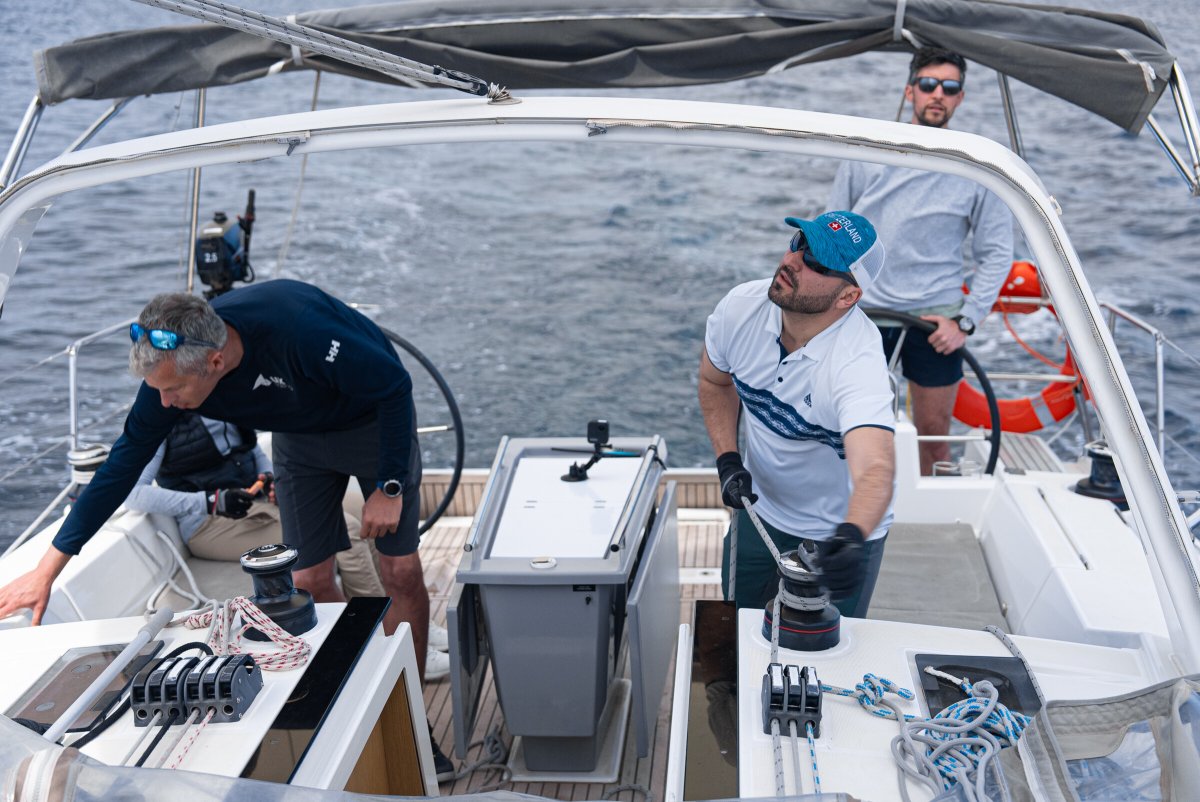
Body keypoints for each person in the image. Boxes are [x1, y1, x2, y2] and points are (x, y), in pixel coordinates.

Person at [0, 279, 454, 773]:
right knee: (306, 581)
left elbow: (393, 384)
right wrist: (48, 569)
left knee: (401, 572)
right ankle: (359, 693)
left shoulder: (298, 330)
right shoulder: (171, 376)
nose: (166, 403)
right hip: (300, 441)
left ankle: (414, 722)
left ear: (214, 363)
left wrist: (388, 488)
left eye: (174, 391)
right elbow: (120, 468)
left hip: (369, 423)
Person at [699, 212, 895, 616]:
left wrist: (853, 537)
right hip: (759, 510)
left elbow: (876, 468)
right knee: (737, 629)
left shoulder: (857, 363)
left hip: (839, 537)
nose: (793, 262)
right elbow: (715, 382)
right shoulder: (740, 309)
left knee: (827, 661)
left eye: (817, 264)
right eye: (797, 243)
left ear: (848, 297)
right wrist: (728, 460)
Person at [828, 46, 1013, 475]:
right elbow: (833, 229)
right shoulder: (868, 152)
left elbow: (998, 252)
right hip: (864, 314)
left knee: (934, 433)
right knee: (845, 431)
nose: (938, 95)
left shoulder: (977, 166)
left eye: (950, 88)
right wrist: (832, 304)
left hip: (935, 321)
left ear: (960, 98)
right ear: (910, 91)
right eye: (929, 85)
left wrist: (965, 322)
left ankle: (937, 520)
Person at [124, 412, 280, 562]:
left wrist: (268, 477)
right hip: (206, 524)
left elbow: (253, 450)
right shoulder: (156, 422)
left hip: (257, 504)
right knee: (299, 540)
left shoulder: (226, 400)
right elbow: (132, 494)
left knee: (303, 524)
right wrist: (212, 502)